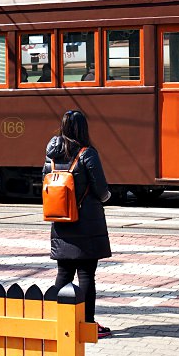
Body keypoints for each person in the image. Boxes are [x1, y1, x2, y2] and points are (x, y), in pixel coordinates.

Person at [43, 109, 113, 338]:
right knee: (86, 275)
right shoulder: (87, 154)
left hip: (60, 222)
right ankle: (86, 324)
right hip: (86, 224)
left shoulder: (51, 155)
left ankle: (55, 320)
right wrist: (106, 198)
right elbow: (102, 191)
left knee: (63, 274)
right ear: (83, 129)